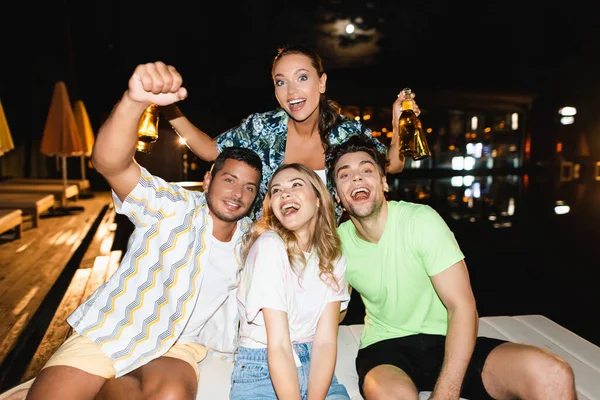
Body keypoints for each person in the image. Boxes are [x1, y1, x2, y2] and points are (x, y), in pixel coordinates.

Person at [24, 63, 263, 400]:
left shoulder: (252, 240)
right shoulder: (173, 206)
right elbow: (111, 163)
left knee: (171, 396)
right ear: (208, 180)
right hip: (111, 329)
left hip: (179, 344)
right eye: (229, 179)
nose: (238, 193)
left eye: (250, 187)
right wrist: (134, 102)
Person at [326, 135, 577, 400]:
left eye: (366, 170)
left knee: (553, 373)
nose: (356, 178)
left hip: (447, 338)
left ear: (384, 182)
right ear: (337, 196)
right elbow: (333, 311)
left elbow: (463, 306)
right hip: (385, 350)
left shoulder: (420, 221)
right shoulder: (337, 244)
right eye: (345, 175)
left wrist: (446, 394)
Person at [158, 44, 411, 221]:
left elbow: (393, 164)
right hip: (264, 253)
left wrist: (398, 122)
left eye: (302, 78)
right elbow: (208, 149)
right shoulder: (263, 127)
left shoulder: (345, 133)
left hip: (322, 257)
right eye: (281, 82)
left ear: (321, 83)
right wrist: (168, 107)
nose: (291, 91)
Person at [230, 163, 351, 400]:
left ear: (318, 199)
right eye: (276, 190)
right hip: (262, 371)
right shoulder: (269, 245)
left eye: (296, 185)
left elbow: (325, 341)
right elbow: (279, 344)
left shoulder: (333, 255)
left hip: (316, 368)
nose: (284, 193)